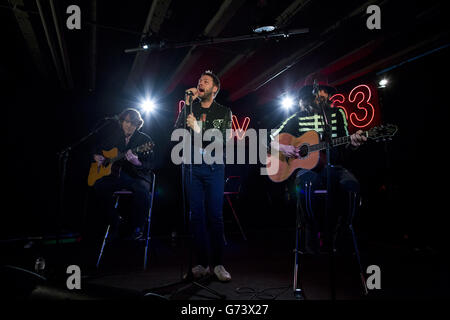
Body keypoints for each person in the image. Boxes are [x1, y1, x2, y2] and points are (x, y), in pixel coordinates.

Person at [270, 84, 367, 254]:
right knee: (306, 186)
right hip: (307, 169)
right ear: (304, 100)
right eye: (316, 97)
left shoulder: (337, 114)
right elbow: (270, 139)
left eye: (324, 96)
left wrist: (353, 144)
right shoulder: (296, 117)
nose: (322, 99)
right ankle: (311, 232)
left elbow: (345, 146)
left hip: (334, 166)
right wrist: (284, 148)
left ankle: (341, 233)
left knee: (351, 185)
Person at [174, 70, 232, 282]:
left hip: (214, 168)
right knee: (195, 215)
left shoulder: (222, 111)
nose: (200, 83)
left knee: (214, 216)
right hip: (191, 168)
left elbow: (221, 140)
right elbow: (177, 132)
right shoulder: (191, 107)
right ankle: (201, 262)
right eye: (199, 80)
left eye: (205, 81)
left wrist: (199, 129)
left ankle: (217, 264)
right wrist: (187, 106)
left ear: (214, 89)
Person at [91, 108, 155, 242]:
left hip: (137, 177)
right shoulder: (115, 137)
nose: (129, 125)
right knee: (98, 185)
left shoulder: (145, 140)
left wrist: (137, 162)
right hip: (118, 177)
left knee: (142, 190)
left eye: (132, 123)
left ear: (138, 125)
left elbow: (150, 165)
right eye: (126, 122)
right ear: (121, 122)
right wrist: (96, 156)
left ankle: (138, 228)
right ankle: (115, 219)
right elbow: (98, 147)